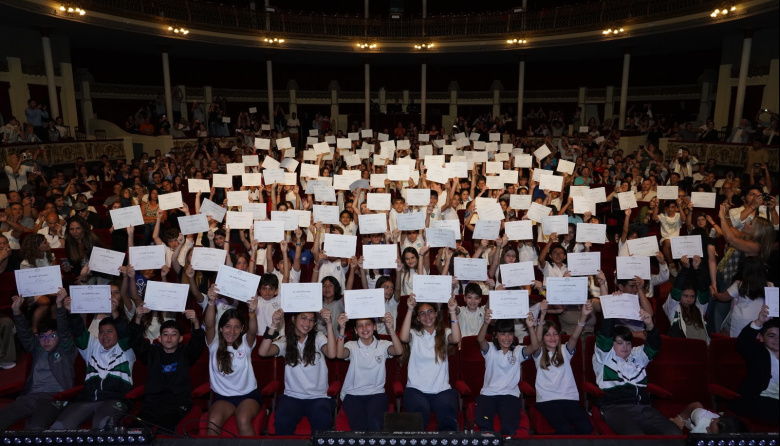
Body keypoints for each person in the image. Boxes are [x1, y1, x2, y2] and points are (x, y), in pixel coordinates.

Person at [50, 296, 136, 429]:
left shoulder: (126, 349)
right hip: (86, 399)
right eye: (101, 332)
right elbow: (78, 329)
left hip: (114, 399)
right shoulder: (92, 346)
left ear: (117, 333)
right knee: (58, 427)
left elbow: (124, 331)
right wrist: (72, 311)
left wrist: (114, 312)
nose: (105, 335)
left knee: (102, 425)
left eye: (109, 332)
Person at [592, 309, 680, 435]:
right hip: (615, 408)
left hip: (643, 408)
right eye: (620, 343)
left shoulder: (637, 355)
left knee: (674, 433)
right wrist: (610, 307)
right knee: (636, 437)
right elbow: (605, 334)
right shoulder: (604, 356)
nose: (625, 347)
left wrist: (650, 325)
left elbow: (654, 346)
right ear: (612, 344)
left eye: (628, 343)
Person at [0, 290, 75, 431]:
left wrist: (59, 306)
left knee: (35, 426)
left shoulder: (66, 350)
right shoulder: (37, 348)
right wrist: (16, 311)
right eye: (42, 336)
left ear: (59, 338)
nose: (46, 340)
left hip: (54, 398)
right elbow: (25, 334)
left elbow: (64, 331)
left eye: (52, 336)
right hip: (31, 396)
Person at [258, 307, 337, 435]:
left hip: (318, 397)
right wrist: (273, 324)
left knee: (323, 421)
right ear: (294, 319)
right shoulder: (285, 340)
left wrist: (328, 323)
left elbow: (332, 354)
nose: (308, 323)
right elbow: (263, 352)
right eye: (304, 318)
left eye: (312, 320)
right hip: (292, 397)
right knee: (282, 422)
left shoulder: (318, 336)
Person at [129, 306, 206, 432]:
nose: (169, 338)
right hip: (152, 404)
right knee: (134, 431)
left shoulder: (186, 354)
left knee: (165, 428)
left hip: (178, 403)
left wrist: (196, 322)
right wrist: (138, 317)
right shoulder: (151, 353)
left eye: (174, 334)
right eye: (165, 334)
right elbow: (136, 341)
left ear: (180, 338)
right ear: (159, 338)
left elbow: (197, 343)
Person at [529, 301, 594, 434]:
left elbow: (575, 336)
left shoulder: (565, 350)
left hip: (568, 398)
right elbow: (537, 339)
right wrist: (542, 316)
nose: (552, 338)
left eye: (555, 334)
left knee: (586, 428)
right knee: (564, 429)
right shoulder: (538, 352)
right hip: (547, 400)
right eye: (548, 335)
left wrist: (583, 316)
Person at [399, 294, 462, 431]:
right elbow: (403, 338)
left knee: (448, 421)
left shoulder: (444, 333)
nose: (427, 316)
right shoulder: (415, 334)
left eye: (430, 312)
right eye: (422, 314)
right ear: (418, 319)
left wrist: (452, 311)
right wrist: (410, 309)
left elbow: (456, 339)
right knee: (420, 415)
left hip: (441, 390)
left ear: (436, 313)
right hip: (416, 390)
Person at [204, 286, 260, 436]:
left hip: (248, 396)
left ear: (242, 329)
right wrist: (211, 301)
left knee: (243, 419)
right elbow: (209, 324)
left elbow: (253, 331)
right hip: (223, 397)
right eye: (228, 327)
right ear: (221, 328)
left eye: (237, 327)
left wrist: (252, 312)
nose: (232, 331)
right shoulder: (213, 344)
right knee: (213, 422)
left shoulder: (245, 343)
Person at [473, 307, 538, 435]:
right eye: (503, 334)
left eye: (510, 334)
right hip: (488, 394)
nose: (507, 338)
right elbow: (480, 340)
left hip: (509, 395)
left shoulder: (518, 351)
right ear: (495, 335)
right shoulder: (490, 349)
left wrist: (530, 327)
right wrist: (486, 322)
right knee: (484, 425)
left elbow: (535, 347)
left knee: (510, 427)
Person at [335, 312, 403, 431]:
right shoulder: (351, 345)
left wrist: (390, 328)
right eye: (360, 326)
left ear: (375, 327)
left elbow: (398, 351)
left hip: (377, 394)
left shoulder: (383, 344)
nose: (364, 328)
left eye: (368, 324)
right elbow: (340, 354)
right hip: (353, 395)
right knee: (359, 426)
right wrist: (342, 330)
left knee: (375, 425)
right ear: (356, 330)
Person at [729, 304, 779, 425]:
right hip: (758, 399)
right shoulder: (757, 352)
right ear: (761, 338)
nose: (777, 339)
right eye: (771, 336)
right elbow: (743, 342)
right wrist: (759, 321)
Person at [670, 402, 746, 433]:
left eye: (711, 431)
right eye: (711, 424)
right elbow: (695, 405)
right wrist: (681, 419)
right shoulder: (703, 419)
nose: (707, 428)